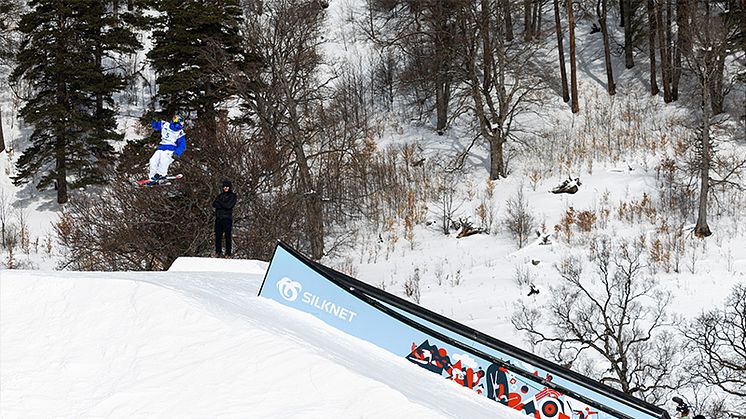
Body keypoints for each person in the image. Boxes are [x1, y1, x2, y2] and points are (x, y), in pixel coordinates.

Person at [149, 115, 186, 181]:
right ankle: (152, 177)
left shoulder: (180, 132)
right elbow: (155, 125)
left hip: (171, 149)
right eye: (179, 124)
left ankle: (161, 175)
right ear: (175, 122)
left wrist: (177, 153)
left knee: (164, 159)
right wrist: (154, 120)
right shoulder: (165, 125)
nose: (180, 126)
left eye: (182, 124)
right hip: (161, 147)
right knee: (153, 160)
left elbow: (182, 145)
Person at [213, 179, 237, 257]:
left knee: (227, 236)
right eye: (224, 187)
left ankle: (228, 253)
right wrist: (223, 204)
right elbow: (214, 204)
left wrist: (220, 204)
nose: (225, 188)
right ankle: (218, 252)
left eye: (227, 187)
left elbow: (229, 206)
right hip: (218, 218)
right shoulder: (220, 195)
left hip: (227, 218)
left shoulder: (232, 196)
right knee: (218, 236)